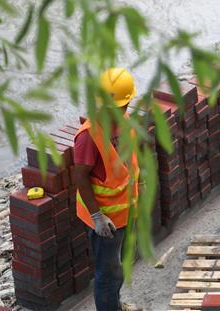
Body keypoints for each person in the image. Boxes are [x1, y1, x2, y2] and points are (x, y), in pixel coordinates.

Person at [73, 68, 139, 311]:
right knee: (107, 274)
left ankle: (115, 305)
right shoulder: (89, 136)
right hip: (105, 220)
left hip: (123, 211)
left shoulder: (124, 123)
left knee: (115, 269)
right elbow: (79, 175)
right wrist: (97, 217)